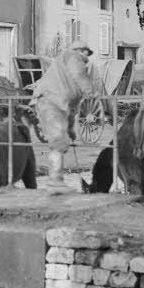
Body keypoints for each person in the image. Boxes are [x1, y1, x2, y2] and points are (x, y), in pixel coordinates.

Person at [29, 42, 99, 190]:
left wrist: (71, 128)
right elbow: (79, 75)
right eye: (86, 52)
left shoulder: (67, 69)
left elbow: (72, 106)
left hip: (56, 103)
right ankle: (55, 183)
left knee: (61, 142)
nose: (87, 56)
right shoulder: (72, 56)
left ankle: (56, 181)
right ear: (79, 50)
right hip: (51, 101)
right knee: (58, 142)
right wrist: (92, 92)